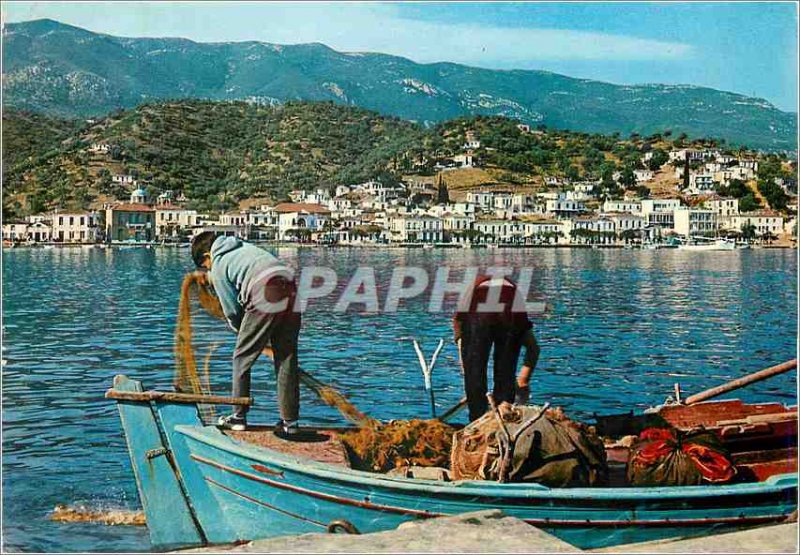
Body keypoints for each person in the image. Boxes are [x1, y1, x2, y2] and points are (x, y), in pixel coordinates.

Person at [190, 231, 301, 434]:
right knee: (286, 357)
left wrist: (242, 333)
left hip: (265, 290)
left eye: (205, 266)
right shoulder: (242, 247)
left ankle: (238, 417)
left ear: (207, 255)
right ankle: (290, 423)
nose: (208, 270)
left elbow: (232, 310)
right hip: (290, 285)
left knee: (241, 358)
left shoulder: (219, 264)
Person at [453, 275, 541, 421]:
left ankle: (476, 417)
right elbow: (534, 349)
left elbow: (466, 361)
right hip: (510, 306)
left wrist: (472, 388)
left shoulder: (462, 316)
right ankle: (505, 410)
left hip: (482, 305)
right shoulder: (518, 312)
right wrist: (523, 380)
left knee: (474, 372)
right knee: (506, 373)